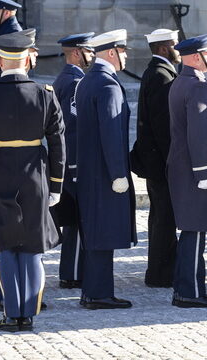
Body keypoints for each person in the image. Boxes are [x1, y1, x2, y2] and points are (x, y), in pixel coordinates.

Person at [0, 30, 65, 332]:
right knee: (32, 248)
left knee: (7, 248)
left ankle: (11, 315)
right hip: (34, 178)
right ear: (27, 58)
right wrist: (56, 184)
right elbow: (58, 143)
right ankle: (28, 314)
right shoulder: (45, 94)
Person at [75, 29, 137, 310]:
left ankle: (92, 291)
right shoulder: (108, 86)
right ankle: (99, 293)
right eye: (123, 51)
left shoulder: (88, 81)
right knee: (104, 232)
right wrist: (118, 175)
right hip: (105, 172)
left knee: (94, 231)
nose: (125, 56)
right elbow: (111, 133)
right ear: (112, 52)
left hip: (89, 170)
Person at [167, 34, 207, 308]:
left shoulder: (183, 83)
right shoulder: (197, 87)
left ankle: (191, 288)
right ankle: (189, 293)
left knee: (194, 231)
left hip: (182, 167)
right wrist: (204, 172)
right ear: (195, 57)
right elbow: (198, 135)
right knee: (194, 231)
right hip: (194, 170)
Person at [132, 28, 180, 288]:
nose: (179, 48)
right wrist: (173, 162)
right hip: (161, 163)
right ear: (163, 49)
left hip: (155, 161)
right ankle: (162, 274)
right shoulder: (162, 76)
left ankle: (160, 270)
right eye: (175, 44)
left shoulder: (158, 72)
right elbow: (164, 129)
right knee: (164, 218)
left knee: (160, 216)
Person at [51, 32, 95, 289]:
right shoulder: (74, 82)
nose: (92, 55)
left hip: (69, 161)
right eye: (89, 51)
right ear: (77, 52)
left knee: (75, 221)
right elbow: (73, 127)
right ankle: (73, 272)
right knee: (77, 220)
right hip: (73, 162)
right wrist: (76, 166)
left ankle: (73, 269)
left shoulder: (68, 79)